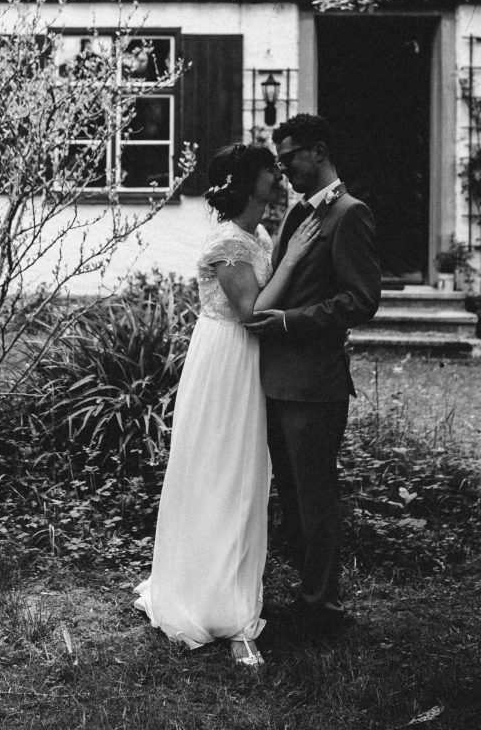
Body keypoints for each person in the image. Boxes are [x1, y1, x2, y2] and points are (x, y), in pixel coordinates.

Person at [135, 143, 321, 666]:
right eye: (269, 169)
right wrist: (296, 257)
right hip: (227, 361)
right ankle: (217, 609)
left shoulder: (256, 234)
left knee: (246, 480)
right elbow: (252, 312)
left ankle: (235, 596)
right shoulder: (228, 245)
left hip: (249, 363)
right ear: (247, 181)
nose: (278, 175)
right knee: (219, 473)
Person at [245, 114, 381, 629]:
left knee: (317, 495)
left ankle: (323, 605)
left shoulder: (350, 215)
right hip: (277, 380)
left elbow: (362, 300)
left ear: (318, 151)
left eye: (289, 160)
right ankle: (309, 595)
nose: (283, 172)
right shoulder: (297, 214)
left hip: (316, 383)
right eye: (277, 163)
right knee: (294, 497)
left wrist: (289, 322)